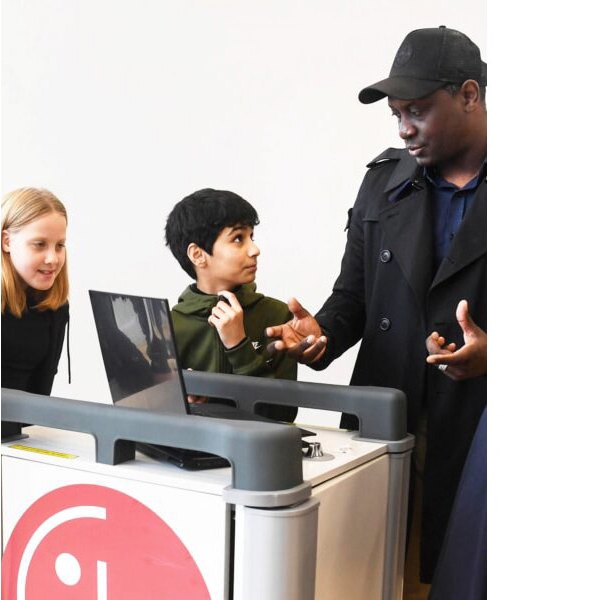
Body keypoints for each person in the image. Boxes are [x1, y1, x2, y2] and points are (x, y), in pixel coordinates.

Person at [265, 26, 487, 594]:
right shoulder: (384, 183)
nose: (404, 129)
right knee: (372, 571)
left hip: (479, 428)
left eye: (417, 110)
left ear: (469, 95)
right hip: (388, 416)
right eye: (396, 115)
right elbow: (354, 299)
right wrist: (317, 336)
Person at [163, 188, 298, 423]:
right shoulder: (168, 327)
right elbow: (155, 419)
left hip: (260, 455)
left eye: (251, 237)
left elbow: (283, 414)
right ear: (198, 254)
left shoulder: (278, 316)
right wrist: (182, 400)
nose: (255, 250)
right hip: (193, 454)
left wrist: (239, 346)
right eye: (238, 238)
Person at [1, 187, 70, 395]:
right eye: (39, 245)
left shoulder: (56, 308)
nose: (53, 259)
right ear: (7, 242)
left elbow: (40, 399)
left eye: (59, 245)